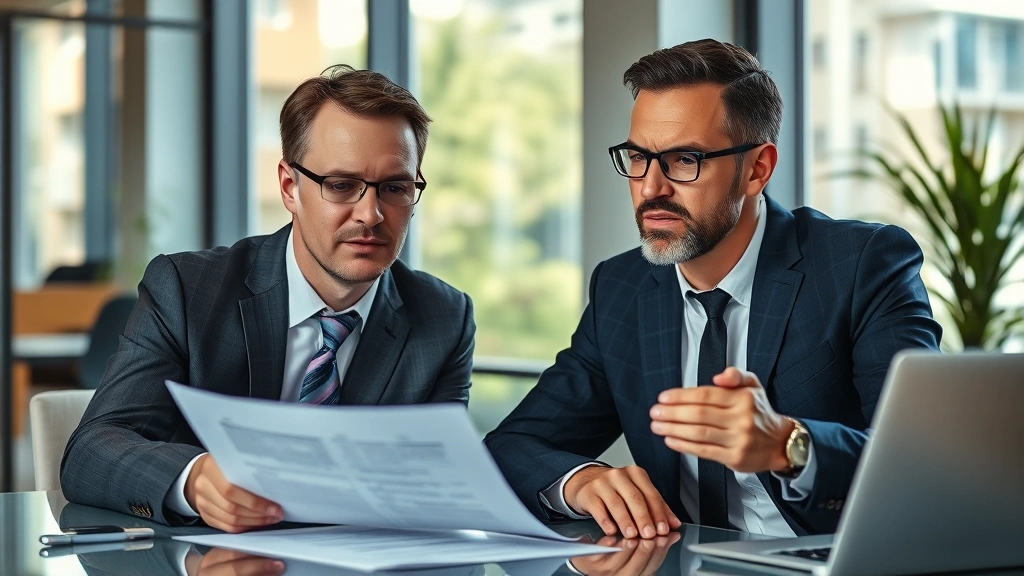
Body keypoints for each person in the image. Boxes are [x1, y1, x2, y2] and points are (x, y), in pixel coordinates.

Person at [484, 39, 941, 539]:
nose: (651, 187)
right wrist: (580, 482)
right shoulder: (622, 287)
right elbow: (513, 446)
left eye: (684, 160)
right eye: (638, 158)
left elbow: (922, 460)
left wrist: (789, 445)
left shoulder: (859, 264)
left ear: (757, 169)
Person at [62, 66, 476, 533]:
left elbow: (439, 482)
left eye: (395, 188)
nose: (371, 214)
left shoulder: (444, 317)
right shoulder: (188, 289)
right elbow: (92, 451)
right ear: (289, 188)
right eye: (341, 185)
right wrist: (195, 479)